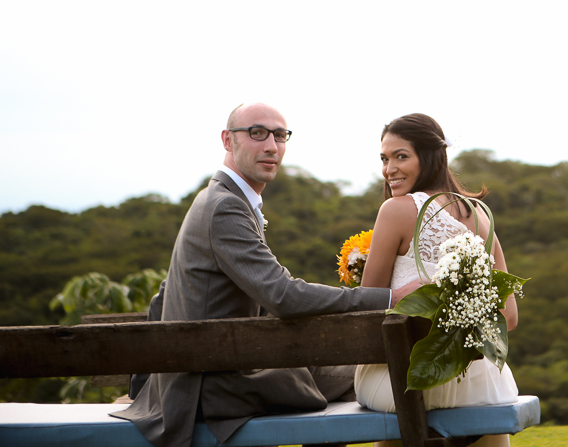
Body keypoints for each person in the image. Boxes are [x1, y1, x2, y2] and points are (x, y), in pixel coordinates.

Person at [113, 103, 415, 447]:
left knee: (346, 365)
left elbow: (162, 297)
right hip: (212, 386)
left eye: (280, 135)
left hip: (221, 366)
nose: (272, 145)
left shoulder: (221, 199)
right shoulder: (224, 206)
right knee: (367, 376)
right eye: (257, 133)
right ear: (228, 141)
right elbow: (283, 296)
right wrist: (391, 297)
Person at [355, 114, 520, 447]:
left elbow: (366, 305)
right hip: (484, 384)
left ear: (429, 157)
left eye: (401, 156)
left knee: (399, 404)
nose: (389, 169)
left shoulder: (396, 209)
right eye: (385, 159)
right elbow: (510, 318)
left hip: (409, 380)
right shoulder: (480, 215)